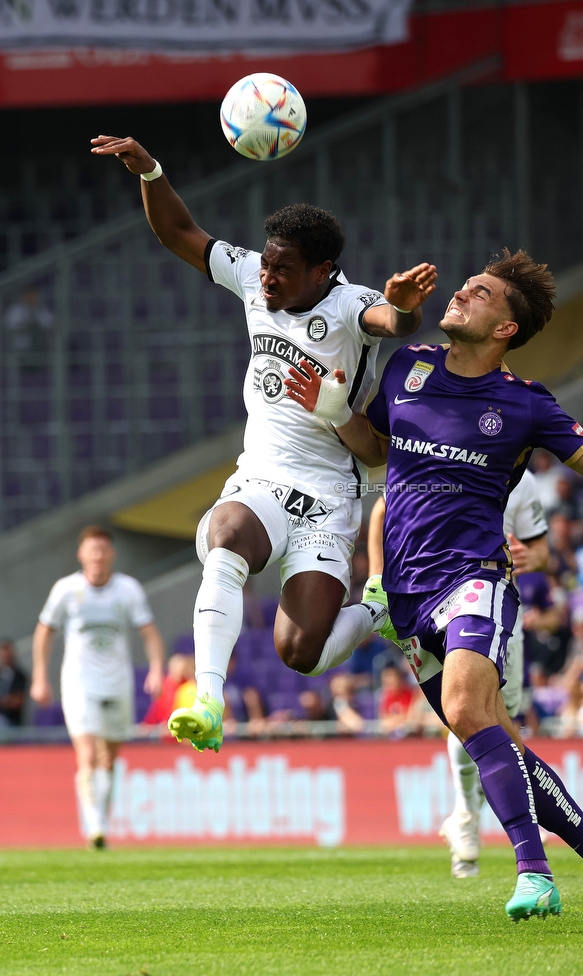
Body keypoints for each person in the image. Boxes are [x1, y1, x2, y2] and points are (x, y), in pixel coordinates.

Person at [289, 248, 583, 923]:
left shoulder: (524, 405)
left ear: (505, 329)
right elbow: (377, 449)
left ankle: (533, 872)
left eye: (482, 293)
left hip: (475, 577)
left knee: (468, 712)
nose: (462, 292)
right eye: (468, 286)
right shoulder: (407, 369)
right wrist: (329, 409)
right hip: (407, 597)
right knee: (501, 743)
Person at [91, 133, 437, 755]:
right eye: (267, 263)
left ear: (321, 272)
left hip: (332, 494)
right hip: (263, 476)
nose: (268, 276)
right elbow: (180, 234)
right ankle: (208, 699)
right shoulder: (255, 276)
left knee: (300, 653)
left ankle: (377, 611)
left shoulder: (354, 305)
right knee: (224, 533)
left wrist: (406, 311)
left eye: (283, 269)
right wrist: (151, 170)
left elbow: (392, 320)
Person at [369, 467, 552, 879]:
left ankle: (492, 827)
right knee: (466, 710)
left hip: (502, 606)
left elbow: (542, 551)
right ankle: (471, 818)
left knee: (503, 714)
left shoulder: (522, 480)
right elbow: (383, 507)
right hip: (444, 599)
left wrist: (528, 557)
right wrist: (377, 579)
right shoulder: (449, 454)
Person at [31, 525, 166, 849]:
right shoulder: (66, 589)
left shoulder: (128, 590)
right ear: (81, 554)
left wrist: (157, 668)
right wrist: (40, 676)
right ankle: (94, 823)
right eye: (92, 549)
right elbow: (44, 631)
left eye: (103, 549)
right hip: (79, 682)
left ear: (111, 554)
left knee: (110, 759)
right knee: (88, 755)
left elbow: (149, 632)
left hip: (117, 682)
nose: (97, 555)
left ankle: (100, 820)